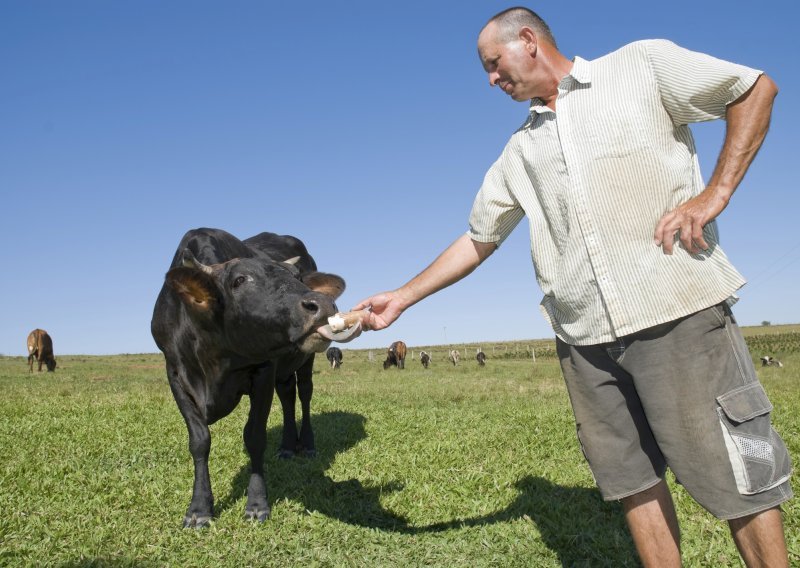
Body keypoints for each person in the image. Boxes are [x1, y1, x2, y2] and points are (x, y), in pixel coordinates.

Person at [354, 7, 792, 567]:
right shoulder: (519, 151)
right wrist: (402, 297)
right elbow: (477, 238)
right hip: (585, 340)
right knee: (630, 479)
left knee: (736, 472)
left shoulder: (639, 67)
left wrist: (715, 193)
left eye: (493, 64)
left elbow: (753, 88)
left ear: (528, 41)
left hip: (676, 310)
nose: (490, 79)